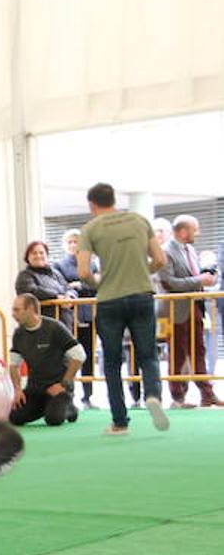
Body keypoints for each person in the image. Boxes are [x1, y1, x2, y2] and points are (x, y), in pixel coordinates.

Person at [78, 182, 169, 435]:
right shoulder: (140, 221)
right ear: (113, 199)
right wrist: (142, 271)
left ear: (92, 204)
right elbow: (160, 259)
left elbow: (84, 271)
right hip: (141, 294)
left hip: (110, 299)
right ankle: (153, 396)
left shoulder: (91, 228)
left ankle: (119, 422)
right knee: (148, 355)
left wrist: (98, 282)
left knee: (112, 362)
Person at [157, 214, 219, 408]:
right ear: (183, 231)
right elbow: (169, 282)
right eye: (195, 229)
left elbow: (193, 277)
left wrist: (207, 279)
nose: (197, 233)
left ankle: (207, 394)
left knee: (199, 350)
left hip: (195, 307)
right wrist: (199, 280)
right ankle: (177, 397)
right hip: (173, 311)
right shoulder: (165, 252)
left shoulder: (191, 249)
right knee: (177, 353)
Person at [7, 293, 84, 427]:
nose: (13, 314)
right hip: (35, 389)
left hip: (58, 389)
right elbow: (14, 365)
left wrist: (63, 385)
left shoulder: (54, 328)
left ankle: (70, 408)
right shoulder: (18, 334)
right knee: (15, 418)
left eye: (17, 310)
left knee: (53, 420)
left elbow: (79, 356)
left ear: (30, 309)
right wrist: (18, 390)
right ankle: (49, 407)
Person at [53, 230, 97, 408]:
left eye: (76, 242)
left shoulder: (92, 264)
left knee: (88, 356)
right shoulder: (59, 265)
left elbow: (97, 284)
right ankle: (68, 394)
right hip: (70, 318)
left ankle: (88, 396)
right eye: (70, 242)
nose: (73, 245)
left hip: (90, 316)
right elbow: (62, 287)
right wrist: (80, 286)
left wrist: (79, 285)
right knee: (70, 357)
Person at [14, 240, 77, 332]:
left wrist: (70, 297)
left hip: (64, 324)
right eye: (34, 253)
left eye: (41, 252)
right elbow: (30, 291)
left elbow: (68, 288)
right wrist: (56, 297)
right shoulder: (24, 275)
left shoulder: (55, 273)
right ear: (27, 257)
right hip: (40, 326)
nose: (38, 256)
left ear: (46, 255)